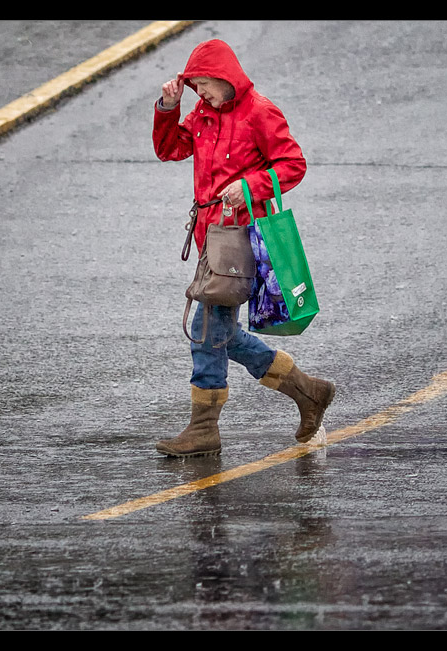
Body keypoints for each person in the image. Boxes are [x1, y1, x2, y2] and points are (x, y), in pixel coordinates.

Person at [151, 38, 335, 457]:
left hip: (240, 238)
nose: (202, 95)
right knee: (222, 334)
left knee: (206, 332)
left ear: (225, 77)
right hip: (209, 237)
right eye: (195, 88)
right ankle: (308, 392)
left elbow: (293, 164)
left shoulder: (260, 112)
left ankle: (203, 430)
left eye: (205, 86)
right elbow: (170, 150)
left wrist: (249, 185)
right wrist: (168, 109)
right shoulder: (202, 113)